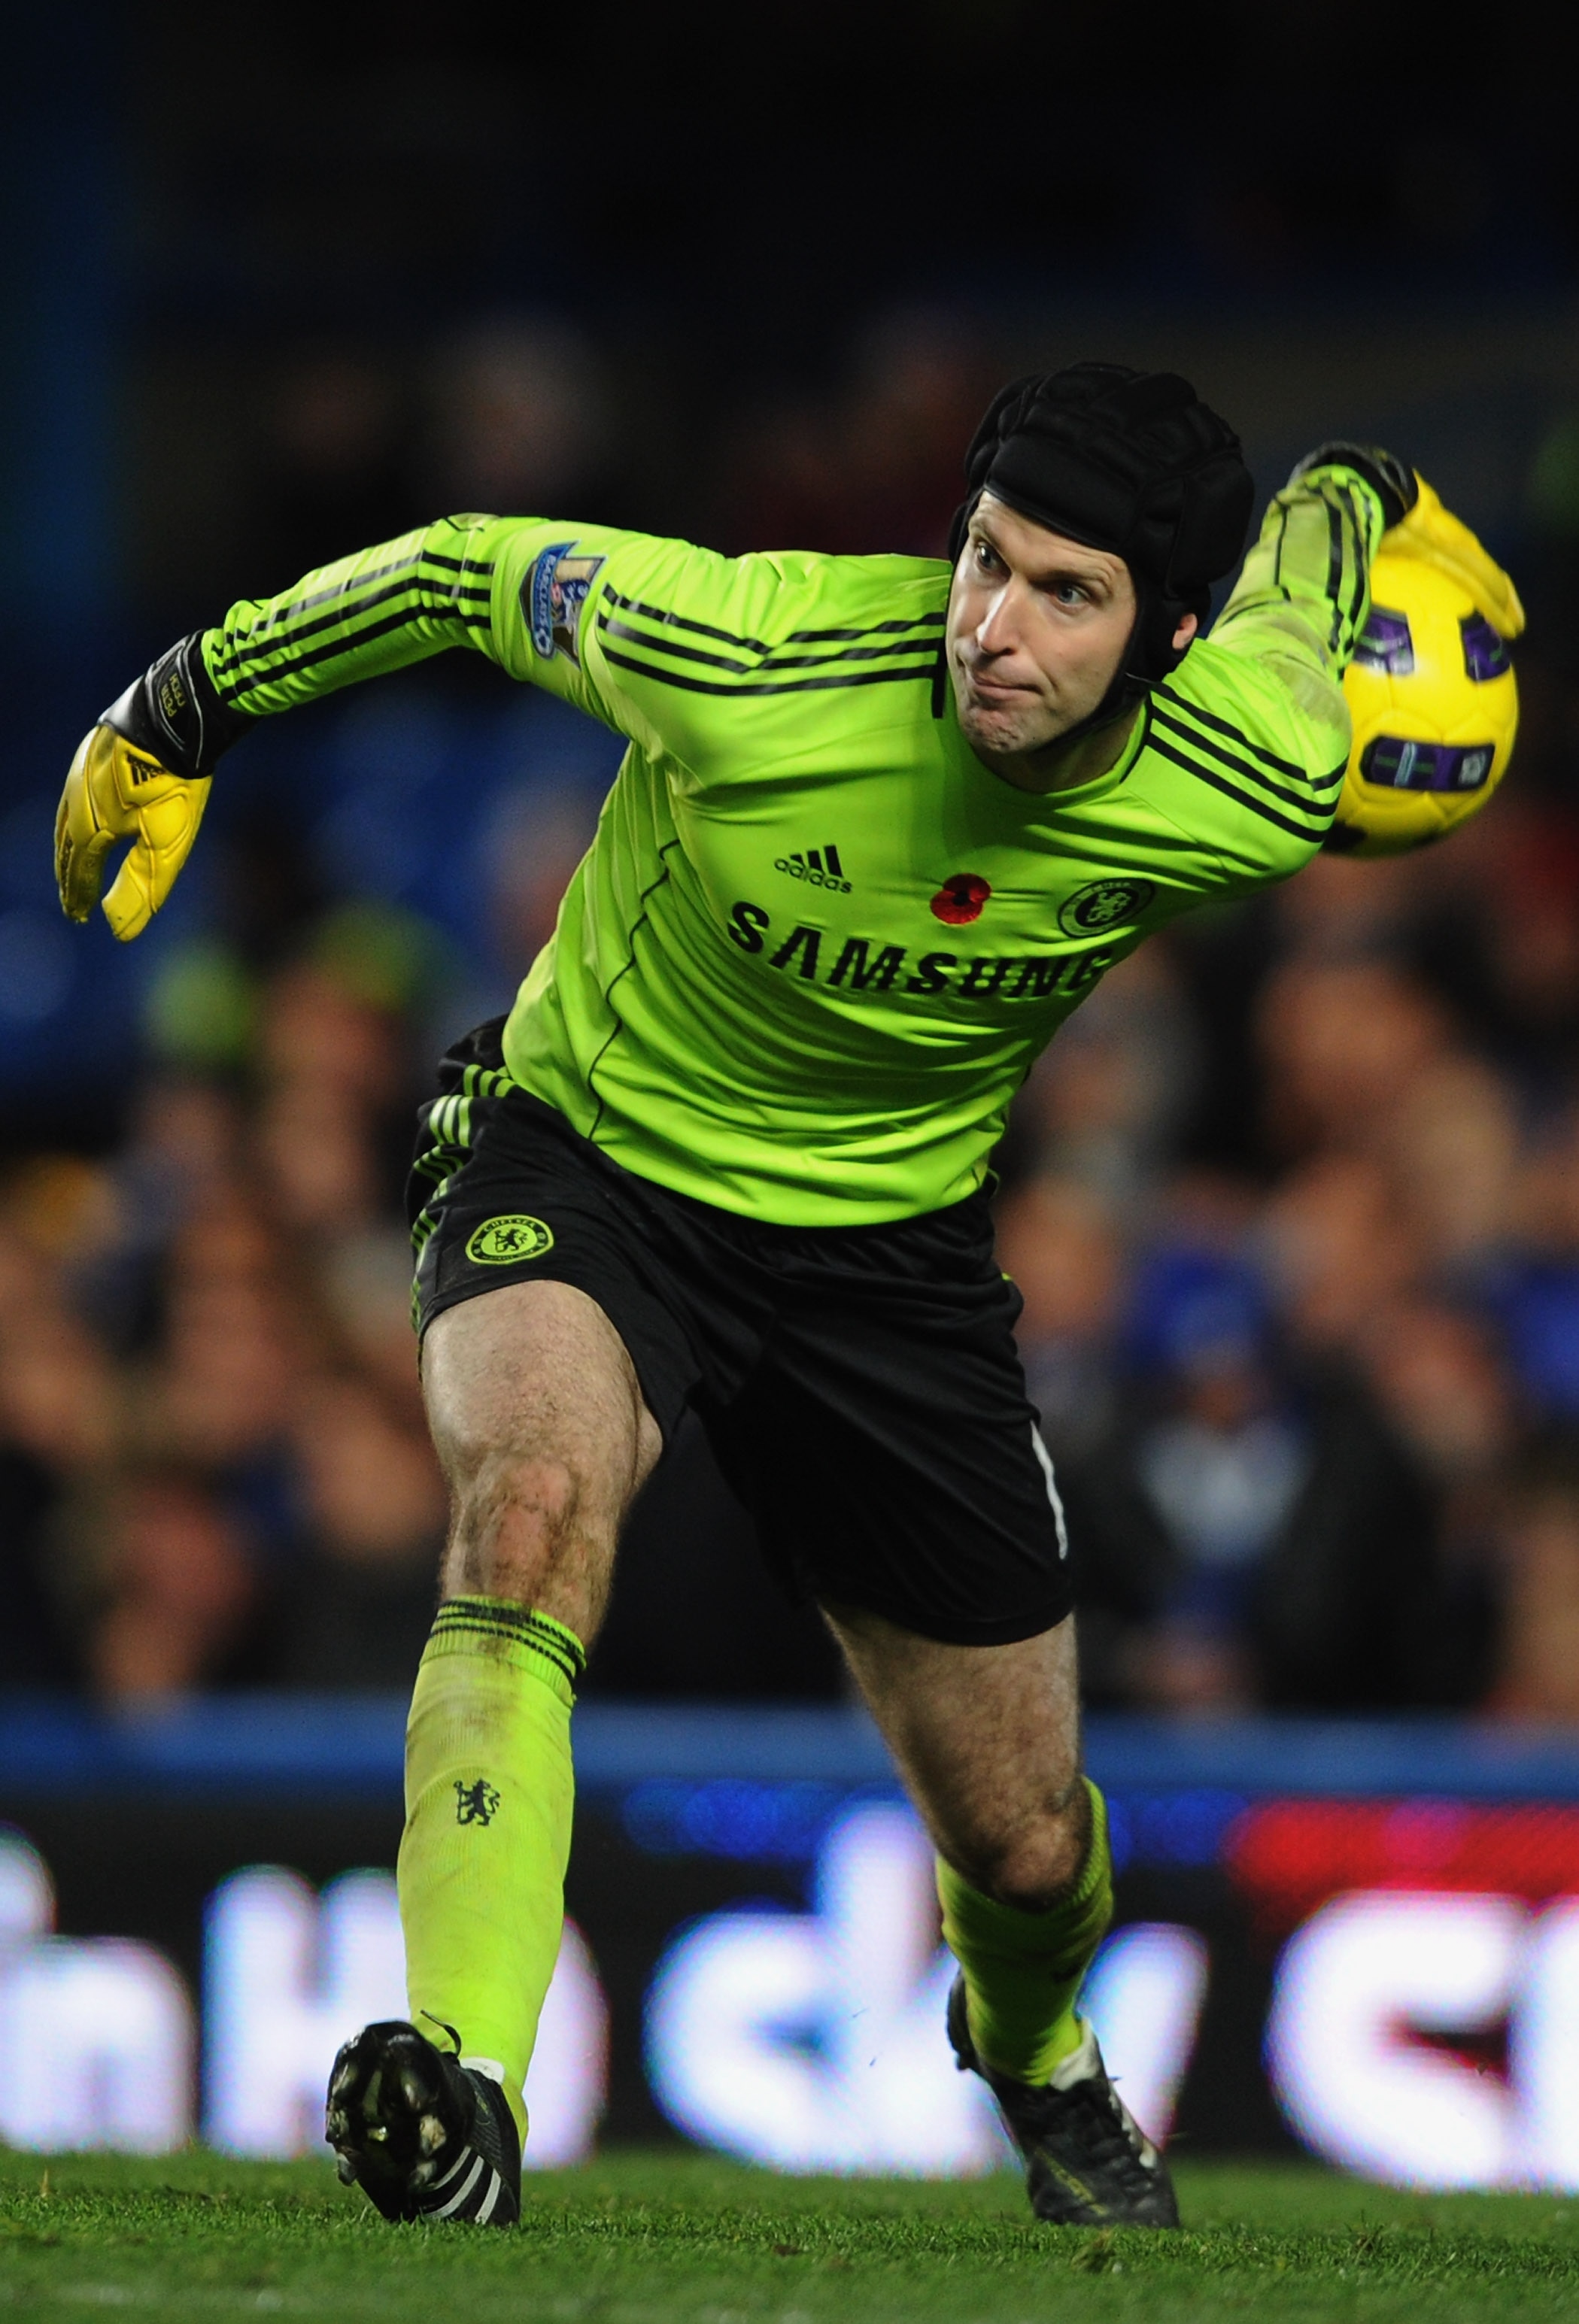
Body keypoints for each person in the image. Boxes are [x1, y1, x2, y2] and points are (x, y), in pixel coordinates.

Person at [55, 364, 1507, 2231]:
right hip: (587, 1159)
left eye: (1068, 595)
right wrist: (181, 707)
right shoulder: (753, 653)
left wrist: (1358, 481)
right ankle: (466, 2089)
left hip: (887, 1268)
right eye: (986, 560)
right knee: (527, 1519)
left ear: (1176, 635)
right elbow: (453, 568)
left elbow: (1310, 575)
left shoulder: (1262, 761)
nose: (991, 627)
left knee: (1029, 1837)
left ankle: (1044, 2058)